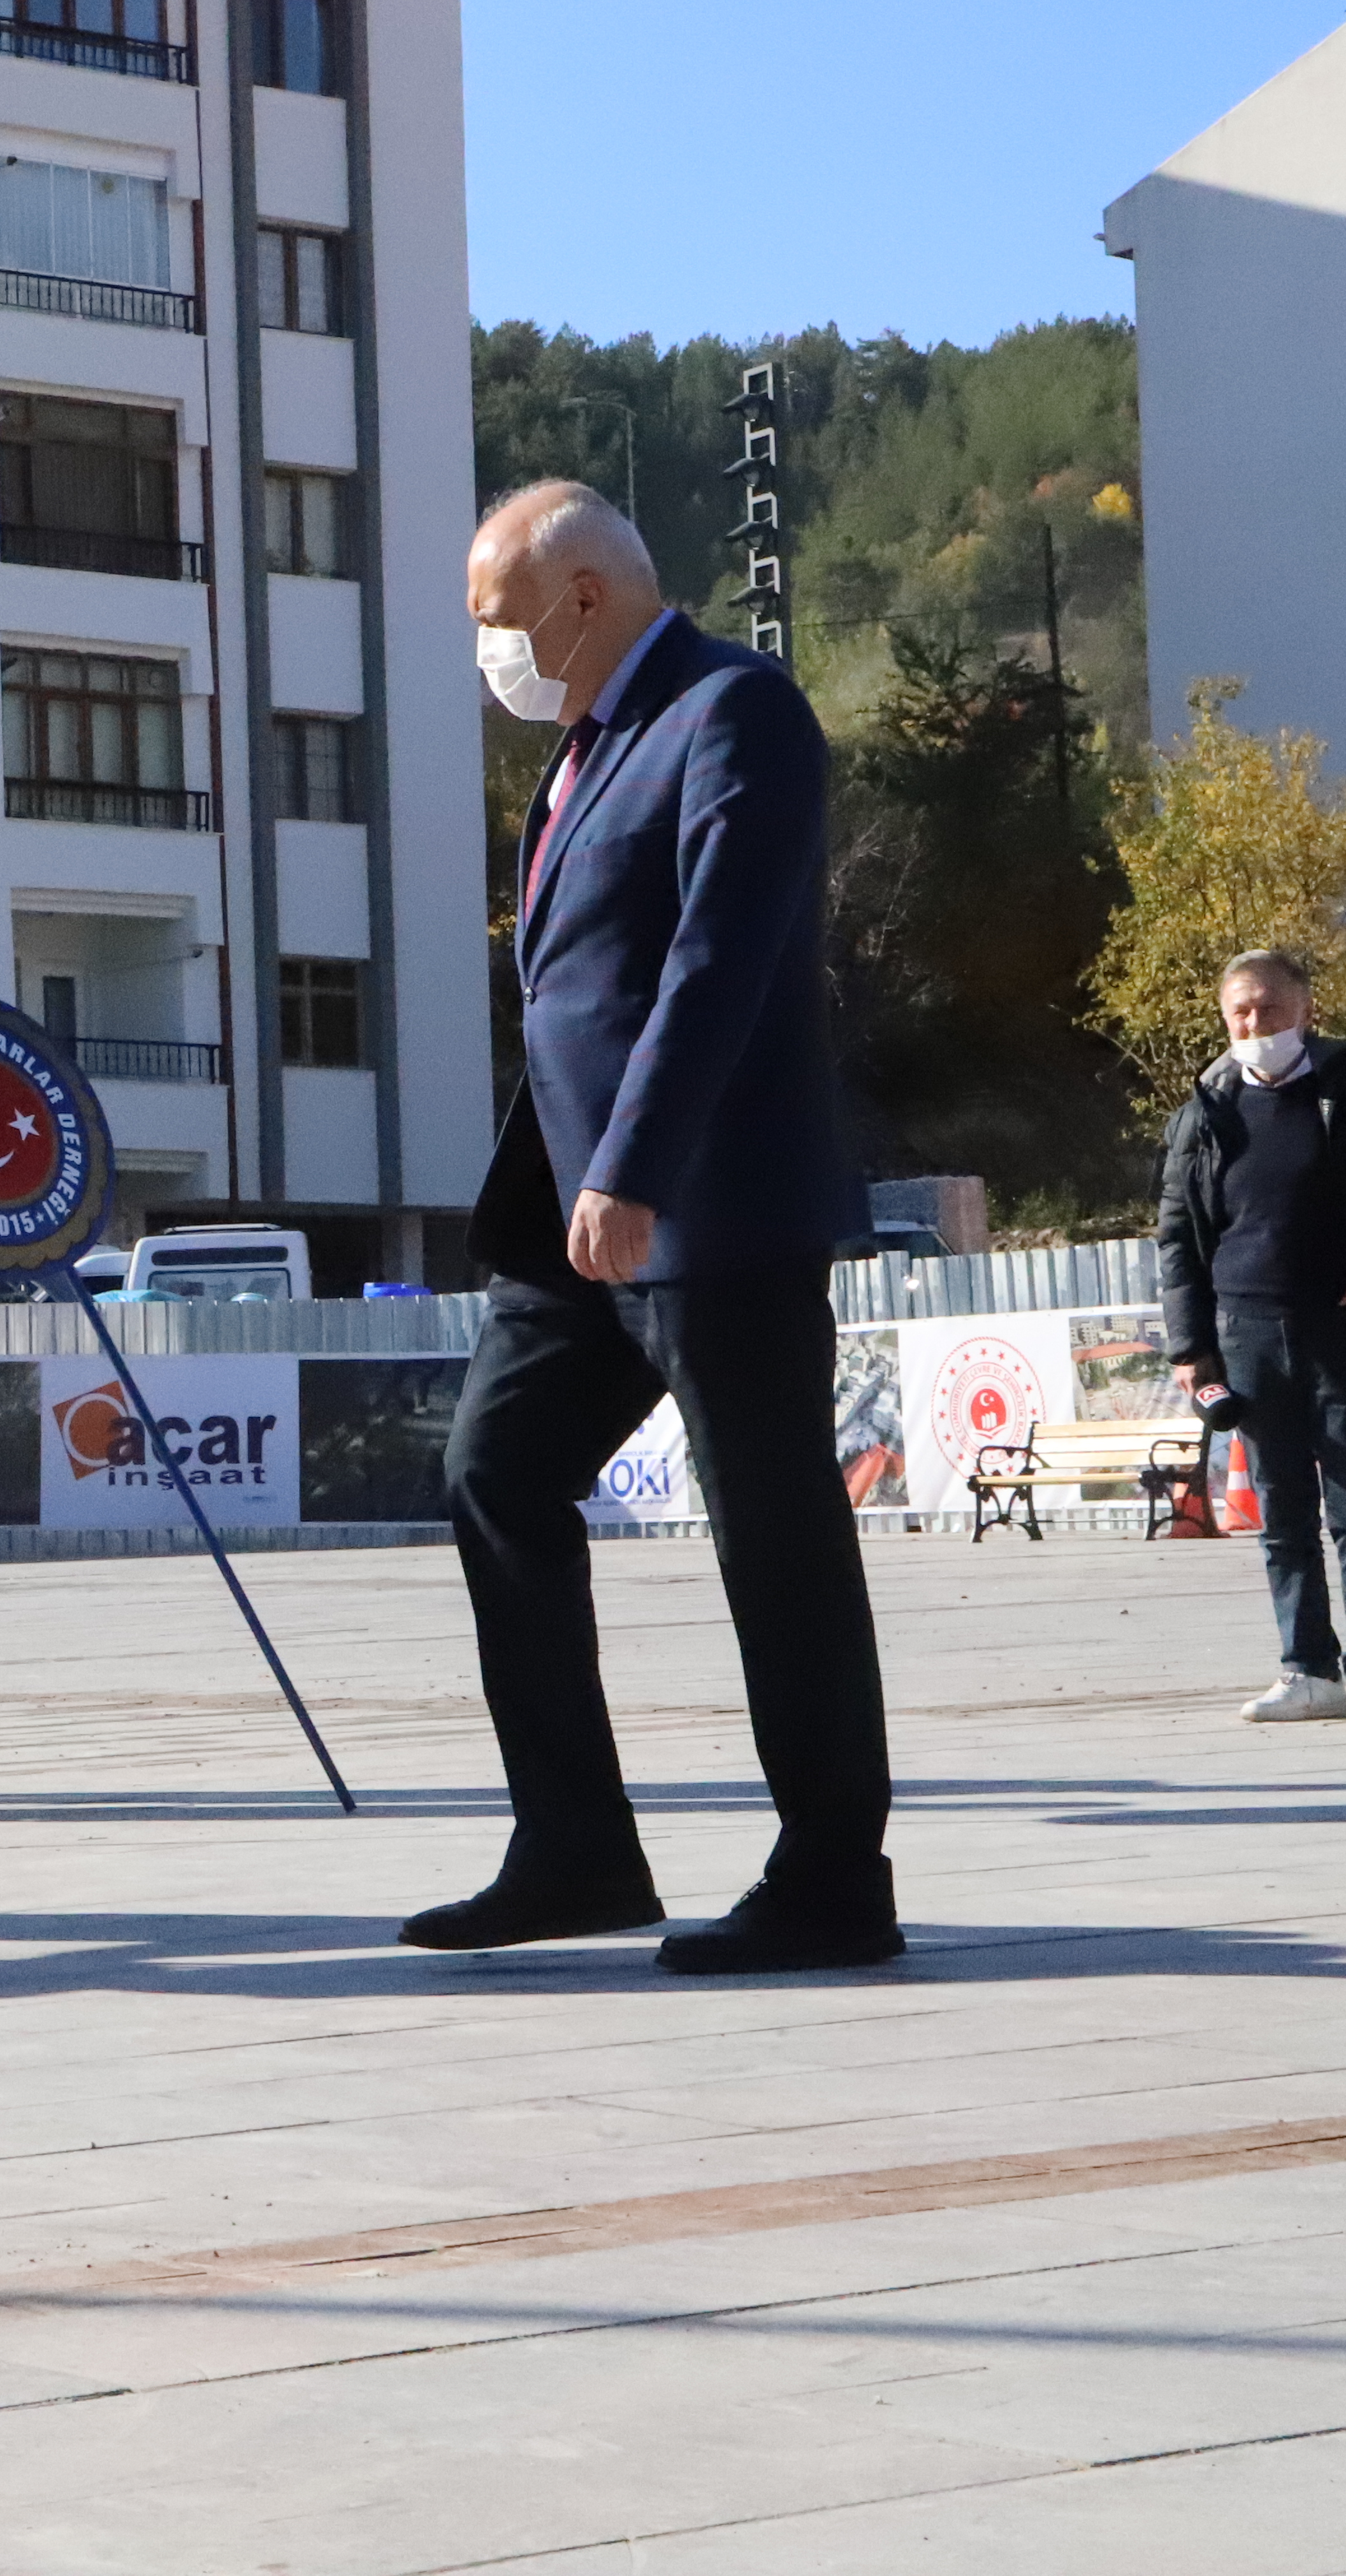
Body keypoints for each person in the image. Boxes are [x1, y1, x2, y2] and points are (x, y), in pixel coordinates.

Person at [417, 480, 899, 1975]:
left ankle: (832, 1876)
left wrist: (630, 1165)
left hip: (706, 1203)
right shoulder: (593, 741)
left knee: (772, 1533)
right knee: (493, 1472)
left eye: (495, 620)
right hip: (577, 1220)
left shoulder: (730, 712)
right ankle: (573, 1847)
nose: (487, 652)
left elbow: (715, 963)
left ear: (577, 596)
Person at [1157, 949, 1346, 1726]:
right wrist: (1193, 1348)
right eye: (1241, 1013)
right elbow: (1177, 1236)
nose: (1255, 1026)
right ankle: (1306, 1667)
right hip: (1248, 1335)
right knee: (1282, 1512)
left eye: (1269, 1008)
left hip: (1345, 1328)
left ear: (1306, 1010)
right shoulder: (1204, 1112)